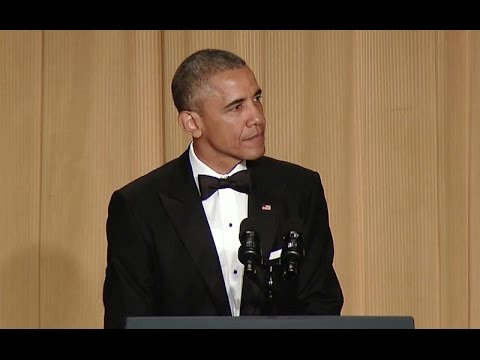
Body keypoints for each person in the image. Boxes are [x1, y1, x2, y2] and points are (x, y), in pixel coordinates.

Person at [103, 48, 343, 329]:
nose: (257, 118)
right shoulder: (138, 206)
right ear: (192, 122)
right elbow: (128, 319)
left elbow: (321, 303)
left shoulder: (299, 188)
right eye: (237, 107)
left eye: (257, 99)